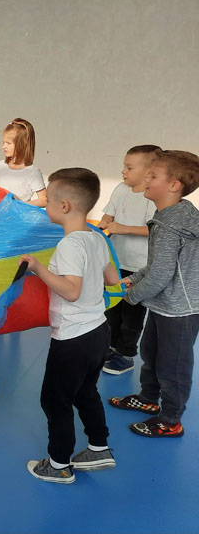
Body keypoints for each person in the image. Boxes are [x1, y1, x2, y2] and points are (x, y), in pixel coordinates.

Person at [21, 168, 119, 484]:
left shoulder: (70, 245)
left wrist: (38, 268)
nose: (45, 205)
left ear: (64, 206)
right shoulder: (96, 237)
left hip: (73, 337)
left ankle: (59, 464)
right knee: (85, 391)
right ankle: (99, 447)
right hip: (98, 331)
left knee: (55, 399)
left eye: (48, 200)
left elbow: (72, 291)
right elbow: (112, 279)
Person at [108, 150, 199, 438]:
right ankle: (148, 399)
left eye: (153, 175)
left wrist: (131, 296)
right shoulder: (168, 215)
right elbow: (157, 264)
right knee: (151, 353)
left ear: (174, 185)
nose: (146, 178)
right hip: (164, 304)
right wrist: (134, 278)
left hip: (180, 310)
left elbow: (160, 275)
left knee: (173, 366)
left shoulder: (172, 224)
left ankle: (171, 420)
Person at [96, 145, 161, 375]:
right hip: (115, 263)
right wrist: (103, 224)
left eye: (129, 167)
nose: (123, 171)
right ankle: (111, 347)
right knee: (112, 308)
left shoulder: (151, 197)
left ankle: (125, 355)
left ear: (149, 172)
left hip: (138, 267)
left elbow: (154, 230)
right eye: (124, 166)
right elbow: (108, 214)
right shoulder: (121, 189)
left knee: (131, 314)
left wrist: (124, 228)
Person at [0, 118, 47, 206]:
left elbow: (44, 200)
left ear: (22, 145)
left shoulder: (33, 172)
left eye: (8, 143)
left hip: (19, 214)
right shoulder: (0, 167)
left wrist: (19, 205)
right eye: (3, 142)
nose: (3, 146)